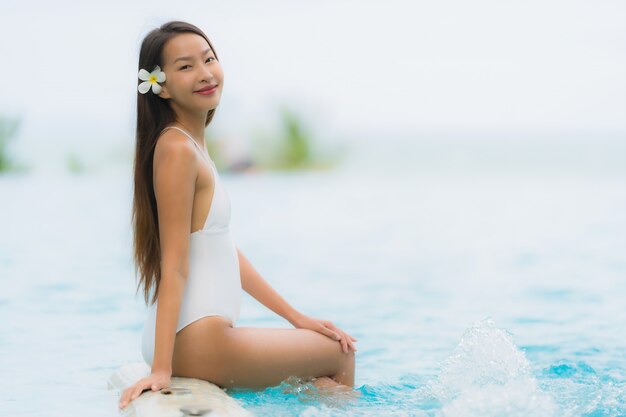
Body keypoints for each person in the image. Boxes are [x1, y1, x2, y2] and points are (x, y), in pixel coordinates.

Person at [119, 20, 357, 410]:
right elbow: (174, 262)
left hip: (194, 336)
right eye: (185, 66)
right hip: (194, 341)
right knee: (340, 355)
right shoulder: (176, 150)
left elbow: (223, 249)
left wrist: (298, 318)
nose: (205, 73)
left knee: (325, 363)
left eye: (209, 59)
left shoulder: (191, 143)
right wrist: (162, 369)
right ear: (160, 85)